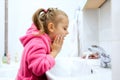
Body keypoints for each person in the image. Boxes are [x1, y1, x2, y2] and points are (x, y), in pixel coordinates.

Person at [16, 8, 69, 80]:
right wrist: (54, 52)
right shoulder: (37, 43)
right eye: (64, 28)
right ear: (51, 27)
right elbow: (38, 68)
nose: (67, 32)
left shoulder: (43, 41)